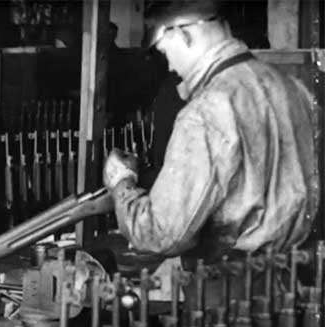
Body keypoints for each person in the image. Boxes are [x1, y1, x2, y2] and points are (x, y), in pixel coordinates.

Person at [102, 0, 319, 301]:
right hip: (293, 286)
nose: (169, 66)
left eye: (166, 52)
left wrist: (121, 183)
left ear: (184, 35)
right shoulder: (294, 89)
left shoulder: (206, 112)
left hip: (229, 294)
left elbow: (160, 233)